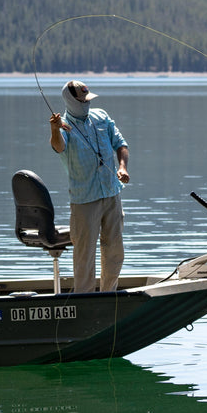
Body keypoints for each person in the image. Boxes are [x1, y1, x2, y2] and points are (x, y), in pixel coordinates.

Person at [49, 80, 130, 292]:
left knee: (114, 251)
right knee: (84, 255)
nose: (86, 103)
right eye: (82, 100)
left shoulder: (101, 117)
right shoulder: (64, 126)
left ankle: (109, 295)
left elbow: (120, 143)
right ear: (71, 100)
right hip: (84, 200)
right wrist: (54, 130)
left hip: (112, 193)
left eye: (88, 99)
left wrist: (122, 167)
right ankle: (84, 299)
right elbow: (59, 147)